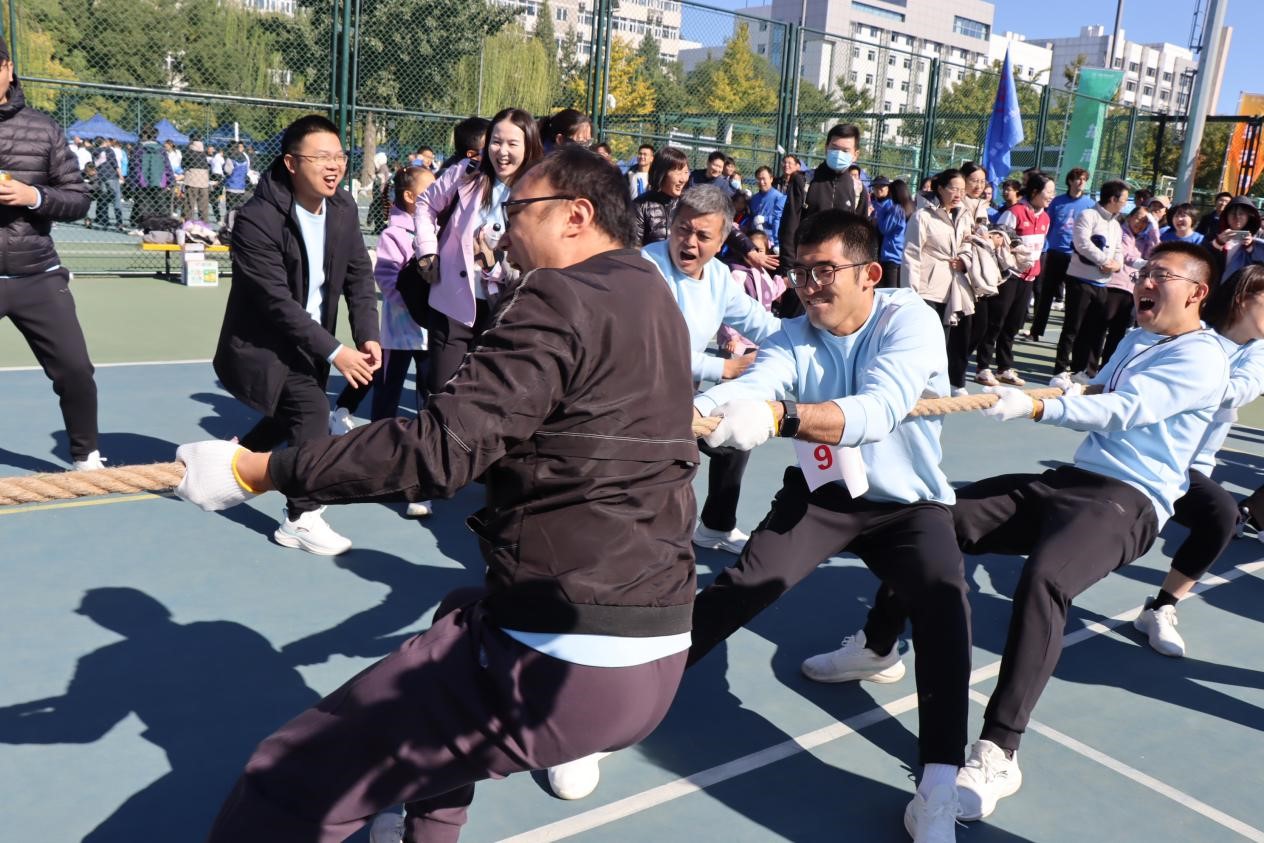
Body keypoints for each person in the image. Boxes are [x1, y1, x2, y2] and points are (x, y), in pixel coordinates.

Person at [176, 146, 699, 843]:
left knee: (290, 776)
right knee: (457, 613)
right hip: (658, 645)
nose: (501, 232)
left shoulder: (559, 295)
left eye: (517, 212)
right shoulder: (653, 292)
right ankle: (423, 822)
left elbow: (438, 450)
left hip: (563, 656)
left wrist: (258, 471)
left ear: (576, 215)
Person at [821, 241, 1228, 825]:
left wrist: (1038, 409)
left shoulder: (1203, 358)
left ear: (1196, 292)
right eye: (1144, 271)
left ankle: (998, 751)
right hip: (1074, 480)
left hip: (1131, 501)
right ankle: (877, 646)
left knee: (1044, 580)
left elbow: (1124, 410)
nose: (1144, 281)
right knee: (934, 520)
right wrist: (1055, 393)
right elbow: (1098, 391)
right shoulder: (1140, 337)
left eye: (1161, 275)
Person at [612, 208, 972, 840]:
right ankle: (610, 713)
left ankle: (939, 786)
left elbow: (880, 409)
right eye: (801, 271)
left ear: (870, 274)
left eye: (824, 271)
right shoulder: (791, 334)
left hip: (908, 504)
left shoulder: (908, 319)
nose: (809, 285)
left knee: (945, 605)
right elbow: (754, 385)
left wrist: (780, 417)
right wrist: (696, 413)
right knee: (737, 590)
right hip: (823, 493)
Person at [213, 115, 382, 556]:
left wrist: (367, 334)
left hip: (312, 342)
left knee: (286, 416)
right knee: (310, 411)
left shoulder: (342, 208)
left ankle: (223, 467)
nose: (334, 166)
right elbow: (276, 303)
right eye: (321, 157)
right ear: (291, 163)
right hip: (267, 344)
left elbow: (359, 277)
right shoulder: (257, 220)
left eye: (339, 156)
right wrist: (336, 351)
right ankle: (300, 517)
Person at [641, 185, 781, 554]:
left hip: (683, 398)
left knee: (733, 436)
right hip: (635, 400)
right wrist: (725, 367)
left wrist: (816, 341)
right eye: (683, 229)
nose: (689, 241)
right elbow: (652, 347)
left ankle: (716, 527)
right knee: (664, 475)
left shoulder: (718, 277)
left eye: (703, 236)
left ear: (721, 242)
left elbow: (763, 324)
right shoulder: (646, 268)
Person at [1132, 264, 1264, 656]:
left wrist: (1191, 379)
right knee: (1107, 536)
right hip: (1138, 456)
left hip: (1189, 467)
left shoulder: (1257, 350)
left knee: (1220, 517)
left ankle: (1161, 607)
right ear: (1243, 299)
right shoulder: (1192, 333)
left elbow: (1243, 389)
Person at [0, 38, 103, 471]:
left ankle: (86, 456)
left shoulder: (43, 128)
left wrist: (34, 196)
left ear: (7, 69)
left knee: (75, 370)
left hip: (37, 275)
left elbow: (79, 199)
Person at [415, 107, 542, 396]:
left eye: (512, 144)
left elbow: (535, 258)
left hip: (505, 309)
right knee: (441, 390)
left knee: (487, 396)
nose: (502, 152)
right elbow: (425, 205)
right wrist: (427, 250)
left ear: (529, 146)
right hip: (452, 301)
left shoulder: (539, 191)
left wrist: (491, 264)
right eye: (496, 142)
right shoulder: (467, 172)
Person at [903, 168, 977, 395]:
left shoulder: (964, 215)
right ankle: (914, 383)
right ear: (941, 189)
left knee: (944, 338)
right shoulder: (922, 216)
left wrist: (964, 260)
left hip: (953, 287)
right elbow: (911, 255)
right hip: (926, 287)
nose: (959, 194)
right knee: (924, 336)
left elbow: (968, 243)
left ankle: (936, 382)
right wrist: (911, 292)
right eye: (954, 189)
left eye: (962, 190)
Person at [977, 172, 1055, 387]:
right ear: (1035, 192)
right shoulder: (1014, 213)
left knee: (1013, 324)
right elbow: (997, 240)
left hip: (1028, 278)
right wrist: (1010, 262)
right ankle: (983, 367)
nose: (1051, 196)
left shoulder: (1046, 218)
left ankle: (1004, 368)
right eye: (1048, 192)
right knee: (996, 322)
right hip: (1009, 276)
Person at [1053, 179, 1129, 379]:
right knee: (1072, 328)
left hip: (1102, 284)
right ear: (1112, 199)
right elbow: (1082, 243)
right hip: (1080, 280)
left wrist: (1117, 265)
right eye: (1123, 200)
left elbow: (1119, 249)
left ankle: (1079, 370)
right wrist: (1104, 260)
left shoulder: (1116, 224)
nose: (1125, 204)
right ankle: (1060, 370)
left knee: (1092, 330)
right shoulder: (1088, 215)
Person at [779, 123, 870, 270]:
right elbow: (789, 229)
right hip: (805, 268)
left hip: (840, 271)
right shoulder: (804, 181)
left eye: (845, 150)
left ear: (855, 154)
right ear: (826, 148)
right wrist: (789, 270)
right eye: (834, 148)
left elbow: (861, 239)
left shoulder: (859, 191)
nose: (839, 154)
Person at [1027, 168, 1092, 342]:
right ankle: (1036, 330)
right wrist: (1045, 247)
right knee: (1046, 294)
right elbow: (1048, 225)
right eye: (1078, 179)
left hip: (1076, 257)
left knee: (1073, 298)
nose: (1081, 182)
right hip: (1055, 253)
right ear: (1070, 181)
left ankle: (1070, 337)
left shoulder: (1089, 204)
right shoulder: (1057, 202)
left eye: (1084, 179)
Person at [1096, 205, 1152, 368]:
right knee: (1100, 328)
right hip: (1114, 285)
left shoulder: (1145, 239)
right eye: (1138, 218)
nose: (1140, 223)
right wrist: (1144, 263)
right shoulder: (1121, 232)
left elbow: (1154, 252)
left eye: (1145, 221)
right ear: (1129, 217)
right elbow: (1126, 256)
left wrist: (1154, 228)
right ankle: (1088, 368)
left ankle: (1106, 368)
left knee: (1118, 333)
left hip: (1132, 290)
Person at [715, 230, 786, 356]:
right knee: (731, 365)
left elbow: (769, 294)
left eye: (760, 250)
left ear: (767, 253)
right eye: (753, 250)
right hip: (736, 339)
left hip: (755, 333)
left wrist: (784, 282)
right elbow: (729, 306)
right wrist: (732, 337)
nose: (756, 254)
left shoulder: (763, 272)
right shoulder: (737, 274)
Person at [632, 145, 689, 246]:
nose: (683, 179)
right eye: (678, 172)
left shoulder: (688, 204)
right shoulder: (640, 205)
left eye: (685, 172)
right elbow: (634, 247)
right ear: (661, 173)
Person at [1208, 195, 1264, 281]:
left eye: (1241, 213)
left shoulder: (1258, 242)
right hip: (1214, 285)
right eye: (1232, 213)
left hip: (1240, 286)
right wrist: (1217, 243)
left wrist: (1250, 249)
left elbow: (1259, 270)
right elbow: (1201, 258)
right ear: (1226, 216)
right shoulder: (1213, 236)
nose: (1237, 217)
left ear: (1248, 217)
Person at [130, 126, 175, 225]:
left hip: (142, 182)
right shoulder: (161, 149)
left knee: (144, 205)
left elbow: (134, 167)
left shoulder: (138, 149)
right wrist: (171, 181)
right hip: (160, 181)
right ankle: (162, 225)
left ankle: (144, 226)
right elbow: (167, 166)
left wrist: (133, 184)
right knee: (160, 205)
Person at [874, 177, 913, 288]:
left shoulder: (897, 210)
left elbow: (884, 228)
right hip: (902, 253)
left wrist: (878, 216)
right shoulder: (911, 207)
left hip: (891, 253)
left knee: (889, 290)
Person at [747, 165, 785, 249]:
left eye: (764, 178)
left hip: (770, 242)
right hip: (754, 240)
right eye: (759, 179)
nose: (761, 182)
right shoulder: (754, 198)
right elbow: (752, 217)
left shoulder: (779, 197)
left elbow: (783, 219)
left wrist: (765, 219)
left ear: (771, 179)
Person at [91, 137, 125, 230]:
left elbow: (94, 164)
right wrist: (121, 175)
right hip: (111, 176)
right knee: (116, 199)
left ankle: (104, 219)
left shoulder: (94, 152)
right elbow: (115, 164)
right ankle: (119, 222)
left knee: (104, 199)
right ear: (104, 142)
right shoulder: (109, 150)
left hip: (101, 177)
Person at [182, 137, 210, 222]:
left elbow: (183, 164)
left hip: (192, 180)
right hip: (204, 181)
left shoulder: (189, 151)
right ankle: (204, 225)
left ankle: (188, 224)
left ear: (191, 140)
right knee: (203, 206)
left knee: (189, 205)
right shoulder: (203, 152)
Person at [222, 141, 252, 220]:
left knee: (230, 208)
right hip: (241, 187)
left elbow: (228, 171)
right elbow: (246, 171)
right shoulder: (245, 159)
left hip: (231, 187)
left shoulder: (230, 159)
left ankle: (229, 223)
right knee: (239, 208)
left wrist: (223, 166)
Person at [208, 143, 225, 223]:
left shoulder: (214, 158)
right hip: (217, 177)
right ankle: (218, 218)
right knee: (214, 199)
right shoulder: (218, 158)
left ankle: (218, 217)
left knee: (214, 199)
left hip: (215, 177)